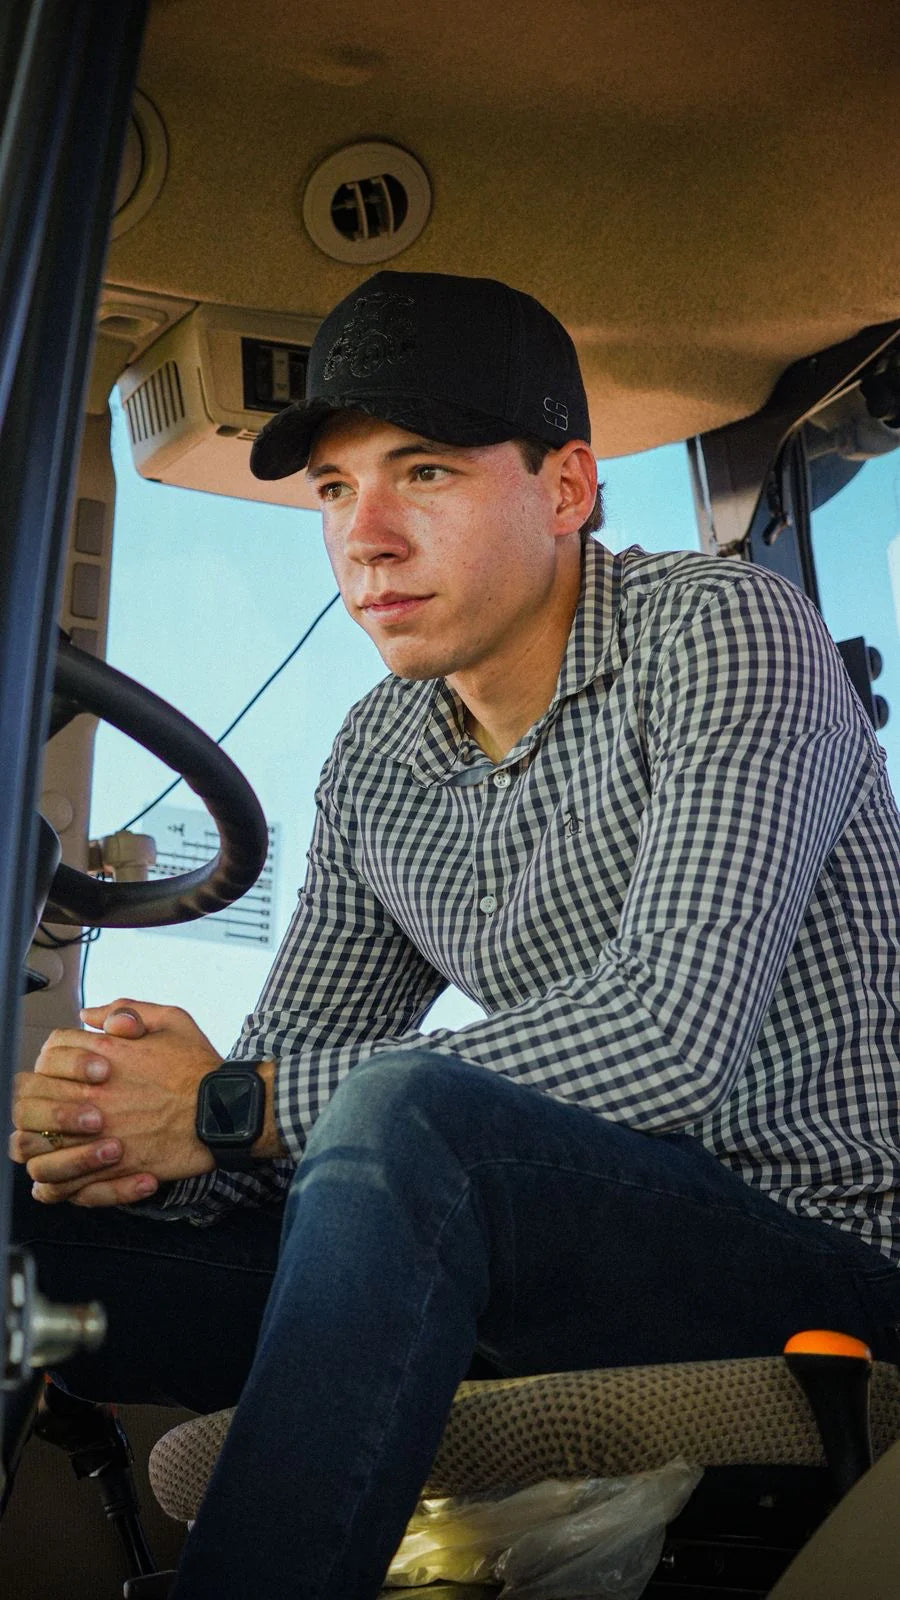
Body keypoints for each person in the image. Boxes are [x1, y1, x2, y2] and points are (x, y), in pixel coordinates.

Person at [9, 270, 900, 1599]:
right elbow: (270, 1105)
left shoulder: (725, 634)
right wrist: (119, 1124)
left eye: (421, 473)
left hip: (813, 1253)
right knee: (27, 1226)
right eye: (330, 491)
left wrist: (232, 1101)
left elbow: (667, 1041)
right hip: (515, 1249)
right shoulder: (379, 753)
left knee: (407, 1109)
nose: (363, 536)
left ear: (567, 487)